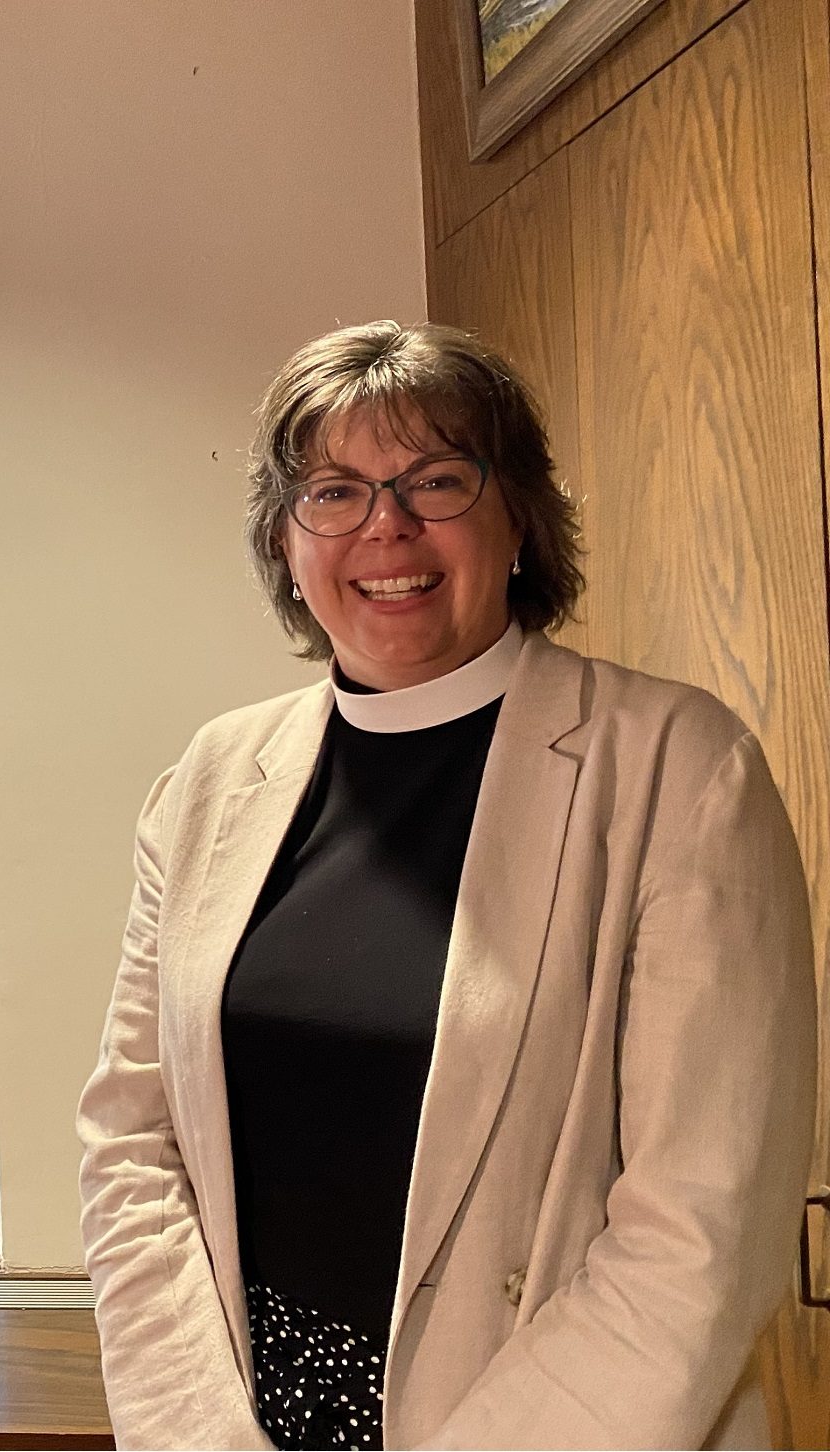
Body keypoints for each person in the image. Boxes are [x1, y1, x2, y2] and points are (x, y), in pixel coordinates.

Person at [76, 321, 815, 1449]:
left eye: (436, 479)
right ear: (283, 540)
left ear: (517, 513)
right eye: (332, 490)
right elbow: (132, 1145)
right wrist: (194, 1435)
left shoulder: (676, 765)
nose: (386, 526)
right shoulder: (207, 784)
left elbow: (704, 1219)